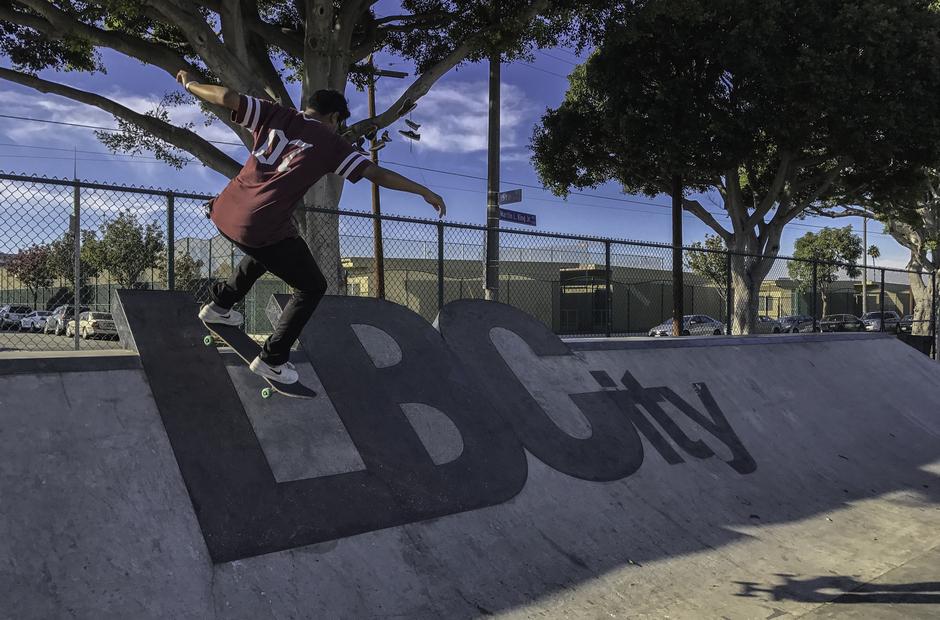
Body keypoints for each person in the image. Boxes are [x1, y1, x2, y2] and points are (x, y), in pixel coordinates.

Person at [176, 69, 447, 384]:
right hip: (258, 224)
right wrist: (424, 191)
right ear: (333, 117)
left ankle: (219, 305)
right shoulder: (331, 142)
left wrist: (191, 84)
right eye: (338, 122)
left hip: (223, 211)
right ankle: (273, 358)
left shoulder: (274, 113)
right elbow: (377, 174)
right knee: (312, 286)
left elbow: (225, 97)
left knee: (270, 250)